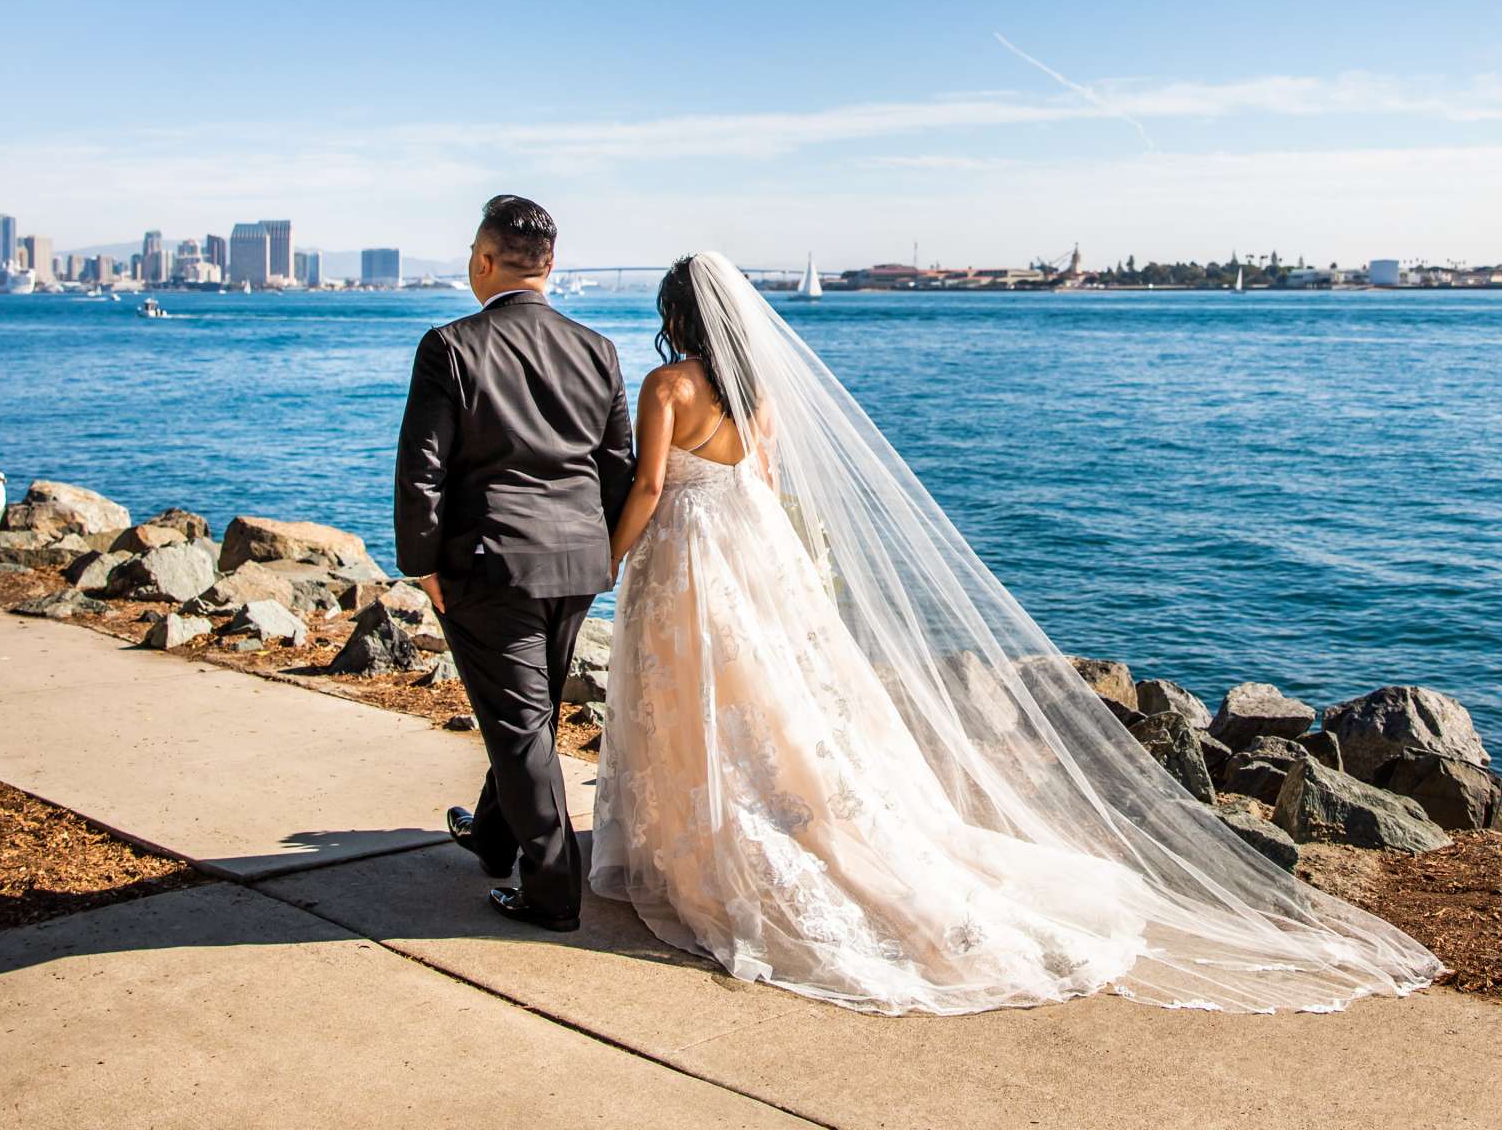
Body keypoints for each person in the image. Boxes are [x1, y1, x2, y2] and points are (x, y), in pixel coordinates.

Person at [589, 252, 1444, 1014]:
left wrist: (612, 561)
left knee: (691, 691)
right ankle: (778, 816)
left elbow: (652, 486)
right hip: (754, 550)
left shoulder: (670, 387)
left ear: (677, 316)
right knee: (774, 700)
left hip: (691, 553)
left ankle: (696, 839)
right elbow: (766, 487)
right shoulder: (761, 396)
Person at [395, 195, 631, 931]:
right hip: (577, 562)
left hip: (490, 564)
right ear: (550, 266)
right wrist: (605, 552)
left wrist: (421, 564)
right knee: (528, 712)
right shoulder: (598, 349)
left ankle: (553, 890)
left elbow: (422, 469)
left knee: (522, 726)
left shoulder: (451, 345)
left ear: (484, 261)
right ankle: (493, 837)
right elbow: (616, 466)